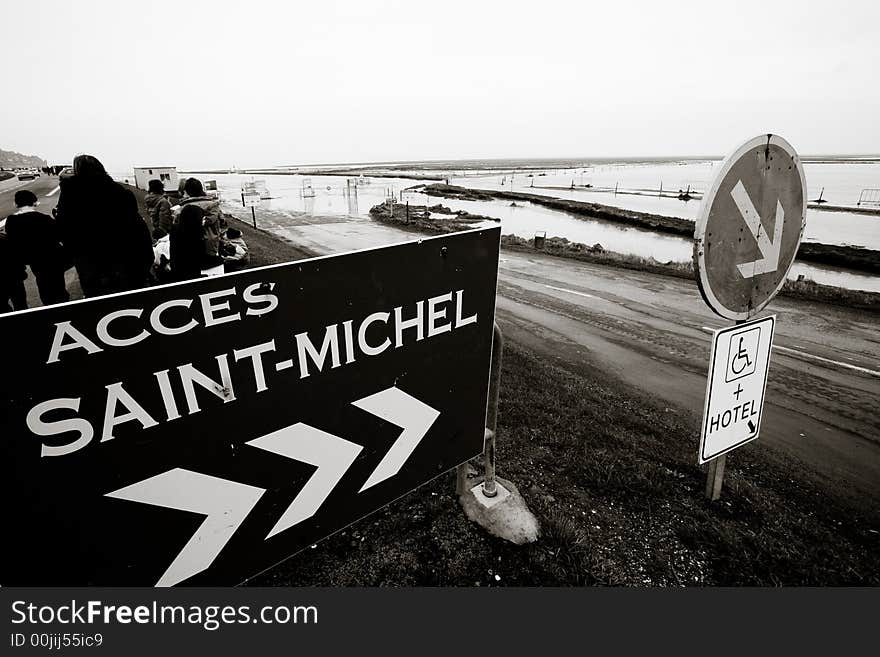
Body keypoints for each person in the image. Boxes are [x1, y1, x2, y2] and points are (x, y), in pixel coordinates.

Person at [54, 154, 154, 297]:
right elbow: (136, 227)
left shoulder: (70, 194)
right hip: (123, 257)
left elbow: (64, 229)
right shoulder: (119, 192)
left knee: (99, 303)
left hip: (89, 261)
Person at [4, 190, 70, 305]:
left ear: (15, 204)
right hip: (53, 258)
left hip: (34, 261)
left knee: (43, 284)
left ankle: (50, 306)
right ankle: (63, 304)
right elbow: (59, 236)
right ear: (35, 202)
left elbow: (13, 242)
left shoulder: (12, 222)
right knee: (58, 286)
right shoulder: (45, 219)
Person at [175, 178, 226, 259]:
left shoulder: (182, 208)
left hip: (189, 243)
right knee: (211, 266)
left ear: (187, 191)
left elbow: (177, 226)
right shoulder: (213, 205)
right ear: (201, 189)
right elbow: (222, 223)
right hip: (210, 243)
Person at [170, 204, 223, 281]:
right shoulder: (195, 233)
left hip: (177, 272)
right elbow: (200, 260)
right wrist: (220, 259)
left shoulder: (176, 229)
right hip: (191, 276)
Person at [0, 227, 27, 313]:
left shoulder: (4, 238)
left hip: (10, 278)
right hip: (14, 277)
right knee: (21, 304)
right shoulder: (4, 238)